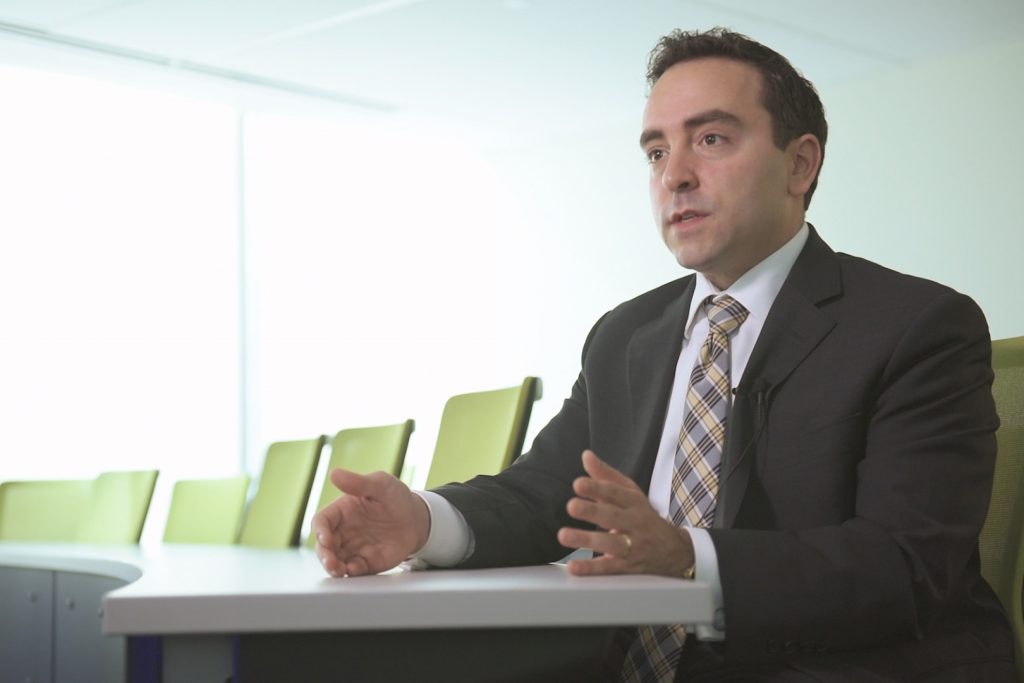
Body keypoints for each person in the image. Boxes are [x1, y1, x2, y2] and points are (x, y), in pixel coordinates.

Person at [314, 28, 1015, 682]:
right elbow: (542, 494)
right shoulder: (626, 335)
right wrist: (424, 521)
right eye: (655, 151)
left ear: (800, 163)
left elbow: (903, 565)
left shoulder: (916, 327)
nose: (674, 174)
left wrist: (687, 556)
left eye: (709, 138)